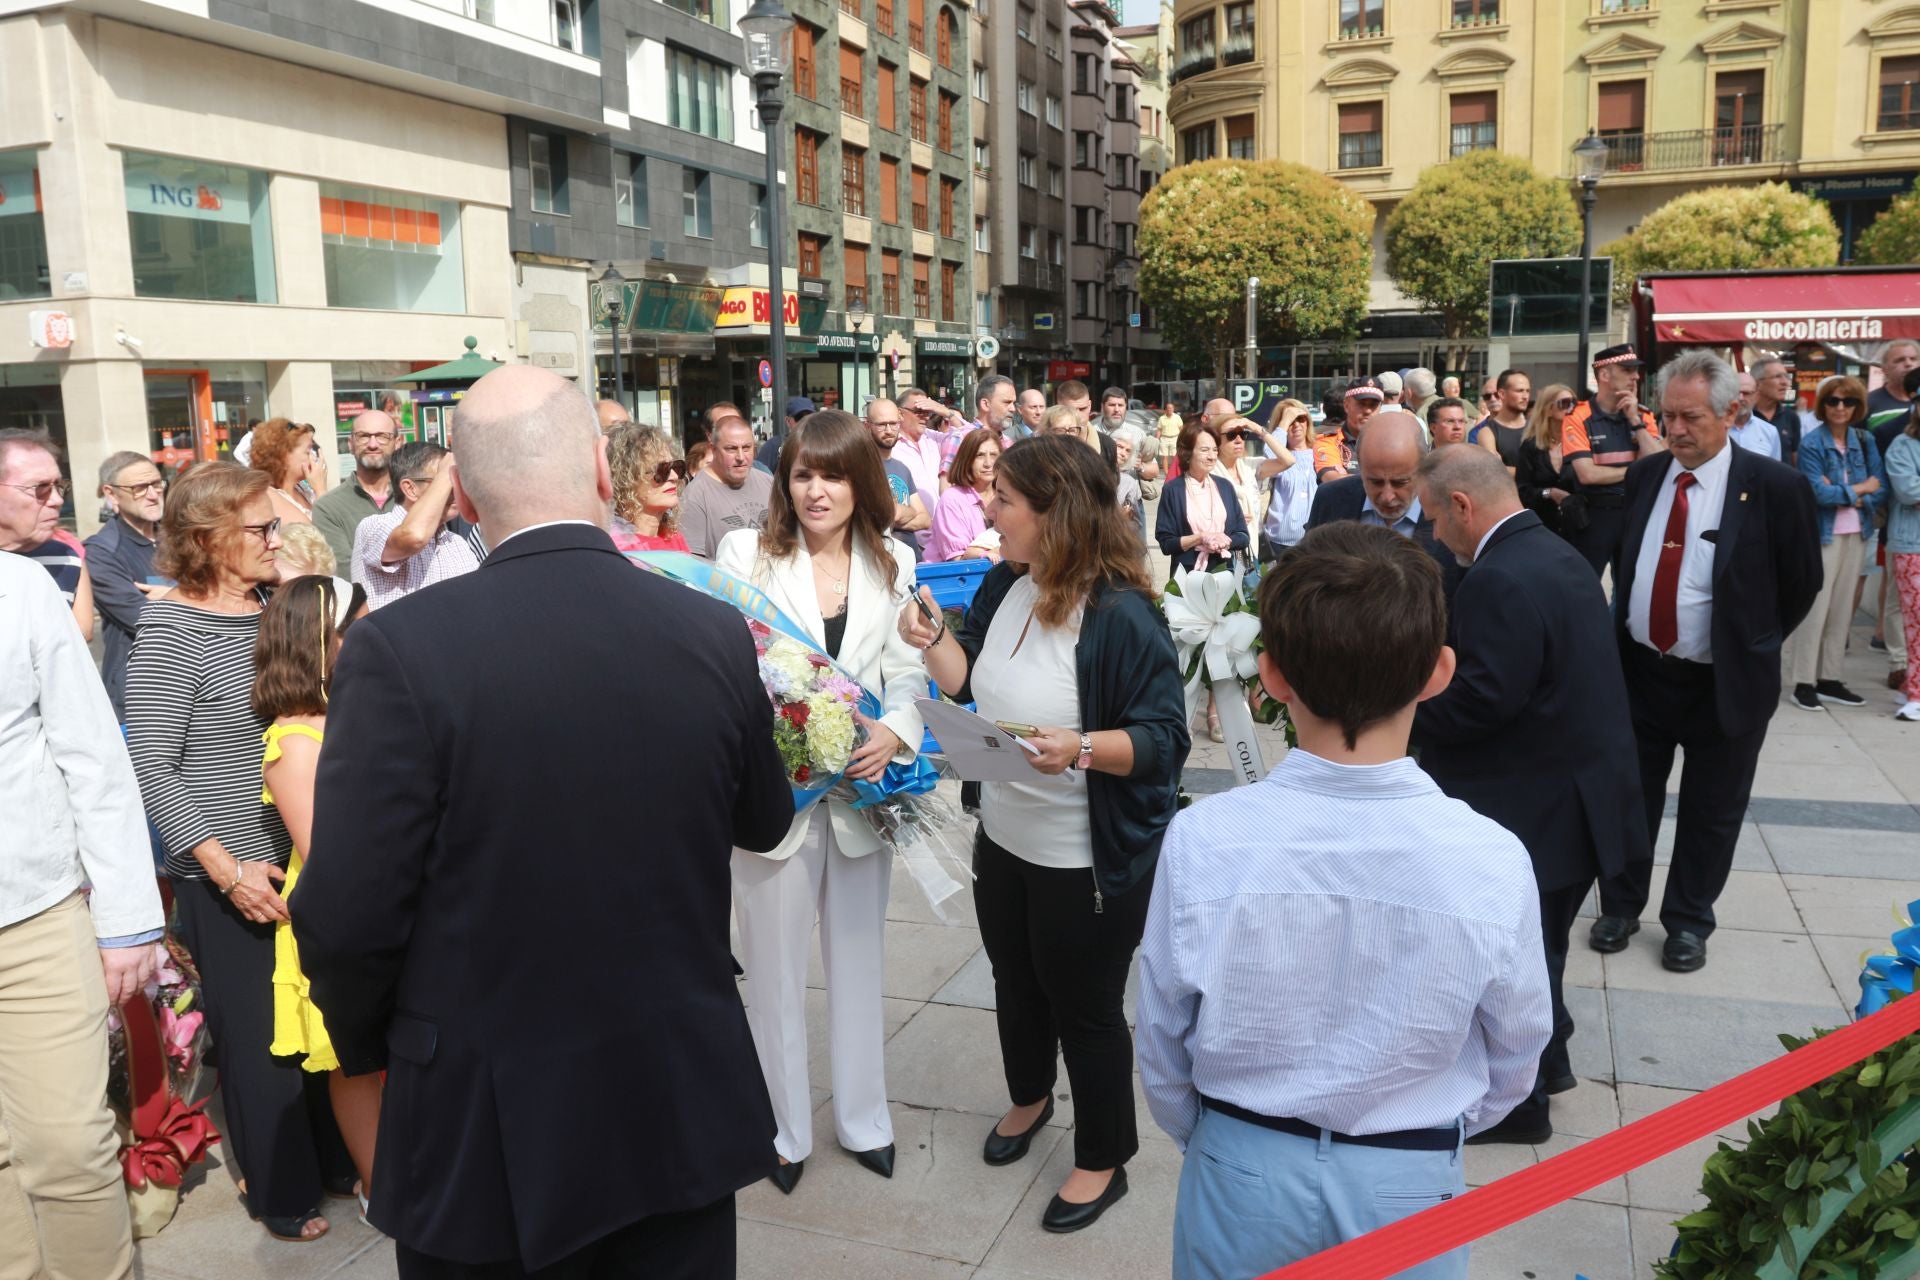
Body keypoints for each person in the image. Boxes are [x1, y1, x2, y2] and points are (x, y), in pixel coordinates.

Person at [292, 365, 791, 1276]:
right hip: (668, 1088)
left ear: (466, 498)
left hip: (489, 1104)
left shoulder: (401, 649)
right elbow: (762, 820)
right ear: (605, 470)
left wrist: (380, 1049)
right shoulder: (711, 632)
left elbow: (347, 912)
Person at [1135, 521, 1550, 1280]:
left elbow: (1163, 1037)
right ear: (1438, 672)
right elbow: (1516, 1054)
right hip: (1409, 1175)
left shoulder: (1206, 839)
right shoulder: (1491, 858)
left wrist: (1223, 1141)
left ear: (1273, 675)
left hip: (1243, 1161)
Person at [900, 435, 1188, 1234]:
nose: (989, 511)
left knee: (1086, 1009)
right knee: (1015, 984)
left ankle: (1104, 1157)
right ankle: (1029, 1098)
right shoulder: (1006, 582)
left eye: (1005, 501)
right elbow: (977, 685)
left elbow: (1165, 742)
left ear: (1054, 515)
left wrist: (1083, 749)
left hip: (1081, 860)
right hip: (1005, 835)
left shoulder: (1123, 615)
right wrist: (934, 646)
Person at [127, 462, 354, 1244]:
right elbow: (151, 762)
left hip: (300, 861)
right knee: (261, 1044)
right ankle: (283, 1193)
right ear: (206, 539)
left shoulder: (269, 608)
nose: (274, 539)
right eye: (258, 529)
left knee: (315, 1020)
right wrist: (224, 869)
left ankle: (331, 1160)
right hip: (232, 874)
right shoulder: (169, 631)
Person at [715, 409, 926, 1195]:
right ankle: (781, 1131)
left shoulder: (894, 559)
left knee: (859, 964)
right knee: (770, 975)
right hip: (772, 798)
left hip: (862, 793)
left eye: (833, 474)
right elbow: (729, 660)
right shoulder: (747, 552)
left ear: (860, 482)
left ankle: (866, 1121)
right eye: (802, 473)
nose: (816, 489)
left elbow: (908, 671)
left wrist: (896, 728)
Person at [1412, 446, 1646, 1145]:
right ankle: (1555, 1062)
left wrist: (1388, 712)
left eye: (1432, 518)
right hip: (1575, 800)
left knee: (1522, 962)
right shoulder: (1550, 551)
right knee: (1539, 951)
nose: (1431, 535)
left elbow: (1482, 701)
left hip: (1542, 810)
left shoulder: (1499, 579)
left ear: (1461, 506)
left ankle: (1523, 1107)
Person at [1591, 351, 1822, 974]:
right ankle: (1620, 904)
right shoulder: (1646, 477)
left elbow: (1801, 582)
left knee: (1711, 809)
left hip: (1724, 684)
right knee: (1628, 799)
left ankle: (1689, 921)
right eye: (1666, 417)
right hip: (1641, 674)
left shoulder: (1775, 487)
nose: (1675, 431)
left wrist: (1752, 642)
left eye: (1689, 417)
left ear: (1731, 412)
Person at [0, 548, 166, 1280]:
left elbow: (92, 751)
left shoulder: (18, 588)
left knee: (68, 1145)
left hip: (33, 910)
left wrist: (127, 919)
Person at [251, 575, 382, 1220]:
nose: (368, 632)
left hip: (387, 894)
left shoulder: (351, 713)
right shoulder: (295, 741)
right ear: (322, 640)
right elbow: (327, 849)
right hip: (342, 909)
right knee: (354, 1061)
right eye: (356, 623)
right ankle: (380, 1189)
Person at [1784, 375, 1885, 712]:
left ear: (1858, 406)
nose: (1840, 407)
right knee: (1816, 610)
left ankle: (1829, 678)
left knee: (1843, 610)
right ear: (1823, 405)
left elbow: (1881, 486)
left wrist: (1846, 493)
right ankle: (1803, 682)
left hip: (1857, 534)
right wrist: (1859, 490)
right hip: (1823, 536)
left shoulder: (1865, 440)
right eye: (1833, 401)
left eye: (1849, 401)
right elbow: (1817, 492)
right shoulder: (1813, 443)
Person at [1562, 344, 1666, 576]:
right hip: (1595, 516)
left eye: (1636, 371)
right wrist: (1636, 470)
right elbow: (1587, 474)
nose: (1636, 377)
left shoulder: (1642, 414)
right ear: (1604, 374)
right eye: (1627, 370)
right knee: (1586, 585)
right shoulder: (1577, 416)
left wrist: (1634, 420)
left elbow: (1659, 462)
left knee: (1631, 589)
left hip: (1635, 511)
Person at [350, 441, 480, 610]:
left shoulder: (457, 543)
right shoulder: (373, 526)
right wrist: (444, 475)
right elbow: (413, 536)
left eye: (457, 480)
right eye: (447, 480)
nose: (455, 489)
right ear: (410, 489)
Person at [86, 451, 166, 721]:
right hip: (140, 701)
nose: (153, 494)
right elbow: (145, 620)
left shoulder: (181, 536)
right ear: (111, 493)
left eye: (157, 484)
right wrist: (198, 597)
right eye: (139, 488)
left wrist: (173, 596)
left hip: (198, 688)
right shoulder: (101, 552)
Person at [0, 430, 94, 640]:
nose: (57, 500)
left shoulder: (68, 558)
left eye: (58, 486)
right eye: (40, 488)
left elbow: (81, 637)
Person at [1157, 419, 1248, 576]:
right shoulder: (1173, 490)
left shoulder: (1225, 486)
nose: (1212, 456)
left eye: (1214, 450)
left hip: (1224, 572)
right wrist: (1200, 538)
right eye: (1205, 450)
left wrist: (1224, 541)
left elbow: (1243, 535)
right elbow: (1166, 543)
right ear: (1187, 452)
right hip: (1187, 574)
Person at [311, 411, 399, 570]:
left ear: (397, 442)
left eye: (382, 436)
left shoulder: (415, 498)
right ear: (351, 444)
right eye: (363, 436)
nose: (373, 444)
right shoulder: (328, 508)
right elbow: (344, 570)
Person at [680, 415, 775, 559]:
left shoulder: (768, 483)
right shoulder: (695, 496)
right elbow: (692, 563)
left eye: (747, 448)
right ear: (713, 450)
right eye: (731, 449)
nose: (741, 457)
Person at [1217, 414, 1294, 567]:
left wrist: (1257, 429)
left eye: (1243, 434)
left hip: (1254, 543)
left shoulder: (1249, 465)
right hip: (1225, 547)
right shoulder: (1211, 471)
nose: (1239, 440)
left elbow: (1288, 460)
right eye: (1232, 435)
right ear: (1216, 440)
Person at [861, 398, 933, 554]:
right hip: (882, 561)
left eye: (893, 424)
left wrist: (896, 516)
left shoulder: (902, 468)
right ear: (867, 426)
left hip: (913, 560)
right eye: (881, 424)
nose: (888, 430)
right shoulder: (862, 467)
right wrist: (910, 512)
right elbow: (879, 518)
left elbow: (925, 519)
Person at [606, 424, 692, 554]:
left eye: (676, 467)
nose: (674, 476)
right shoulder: (615, 546)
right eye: (661, 470)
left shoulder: (674, 538)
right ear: (626, 478)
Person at [1885, 410, 1920, 721]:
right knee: (1917, 622)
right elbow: (1910, 492)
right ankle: (1918, 693)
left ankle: (1912, 685)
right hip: (1913, 546)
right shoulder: (1903, 445)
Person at [1515, 384, 1583, 538]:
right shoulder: (1531, 446)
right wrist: (1549, 493)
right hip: (1542, 529)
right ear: (1548, 409)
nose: (1571, 407)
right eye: (1565, 403)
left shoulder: (1582, 443)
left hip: (1579, 527)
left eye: (1575, 403)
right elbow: (1523, 492)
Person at [927, 426, 1002, 561]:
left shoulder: (1006, 496)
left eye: (994, 455)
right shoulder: (952, 499)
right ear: (966, 460)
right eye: (980, 455)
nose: (988, 463)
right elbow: (956, 559)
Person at [1261, 401, 1318, 561]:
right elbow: (1270, 454)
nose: (1296, 425)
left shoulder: (1320, 451)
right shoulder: (1280, 458)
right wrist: (1283, 423)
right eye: (1290, 421)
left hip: (1315, 538)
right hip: (1280, 541)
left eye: (1301, 419)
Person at [891, 389, 952, 537]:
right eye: (919, 411)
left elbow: (970, 437)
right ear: (900, 413)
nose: (925, 417)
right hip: (912, 537)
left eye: (929, 411)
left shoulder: (934, 438)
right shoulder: (890, 447)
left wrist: (945, 412)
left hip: (944, 536)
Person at [249, 419, 322, 526]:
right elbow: (317, 533)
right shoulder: (269, 496)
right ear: (284, 456)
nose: (313, 457)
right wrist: (320, 489)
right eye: (307, 452)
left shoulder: (303, 490)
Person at [1313, 380, 1382, 481]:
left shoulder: (1388, 442)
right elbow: (1332, 479)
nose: (1367, 410)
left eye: (1373, 405)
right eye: (1361, 404)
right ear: (1346, 405)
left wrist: (1348, 478)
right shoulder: (1329, 441)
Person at [1470, 368, 1530, 473]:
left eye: (1527, 391)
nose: (1493, 399)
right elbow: (1493, 471)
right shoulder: (1482, 432)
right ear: (1503, 394)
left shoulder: (1538, 427)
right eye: (1487, 396)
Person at [1752, 358, 1802, 465]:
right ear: (1758, 383)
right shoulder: (1743, 417)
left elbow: (1796, 462)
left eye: (1786, 377)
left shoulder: (1791, 417)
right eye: (1777, 376)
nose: (1785, 382)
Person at [1728, 371, 1783, 461]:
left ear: (1756, 396)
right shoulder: (1715, 429)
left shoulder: (1770, 432)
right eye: (1736, 392)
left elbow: (1775, 470)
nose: (1741, 398)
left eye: (1746, 393)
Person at [757, 395, 815, 472]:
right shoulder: (774, 446)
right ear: (788, 421)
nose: (805, 422)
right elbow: (760, 476)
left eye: (810, 418)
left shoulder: (823, 444)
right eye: (800, 417)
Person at [1111, 424, 1148, 542]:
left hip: (1118, 539)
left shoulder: (1129, 482)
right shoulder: (1093, 472)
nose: (1123, 453)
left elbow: (1135, 521)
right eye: (1119, 447)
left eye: (1128, 451)